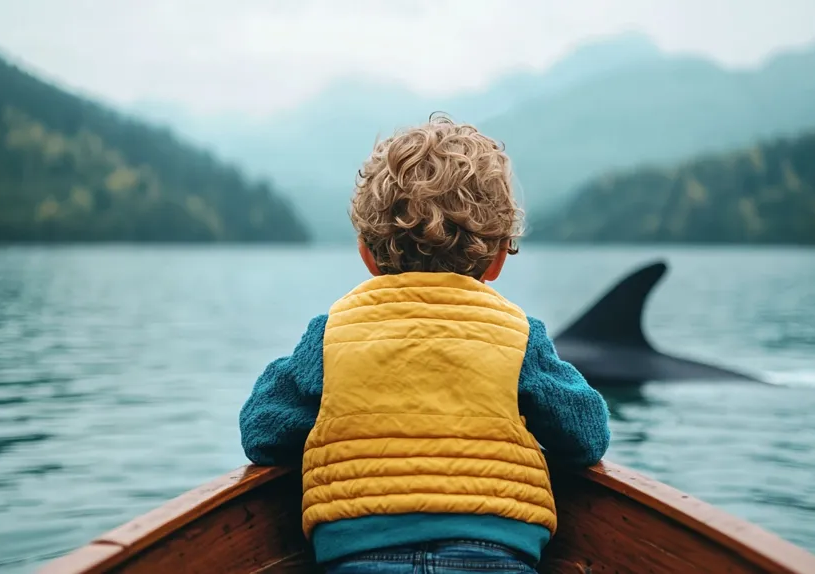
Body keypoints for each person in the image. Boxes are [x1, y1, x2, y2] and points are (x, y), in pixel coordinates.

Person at [238, 114, 611, 573]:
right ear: (497, 259)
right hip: (495, 553)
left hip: (358, 554)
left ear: (367, 255)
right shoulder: (519, 336)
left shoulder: (331, 333)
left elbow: (261, 431)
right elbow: (587, 436)